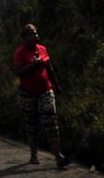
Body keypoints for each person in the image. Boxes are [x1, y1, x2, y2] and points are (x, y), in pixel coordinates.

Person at [12, 23, 68, 169]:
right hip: (27, 93)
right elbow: (18, 72)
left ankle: (58, 156)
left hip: (45, 91)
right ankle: (33, 153)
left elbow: (49, 68)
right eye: (30, 34)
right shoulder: (20, 52)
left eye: (35, 33)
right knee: (32, 123)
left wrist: (57, 85)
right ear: (24, 38)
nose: (33, 36)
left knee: (51, 122)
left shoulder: (43, 49)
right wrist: (32, 65)